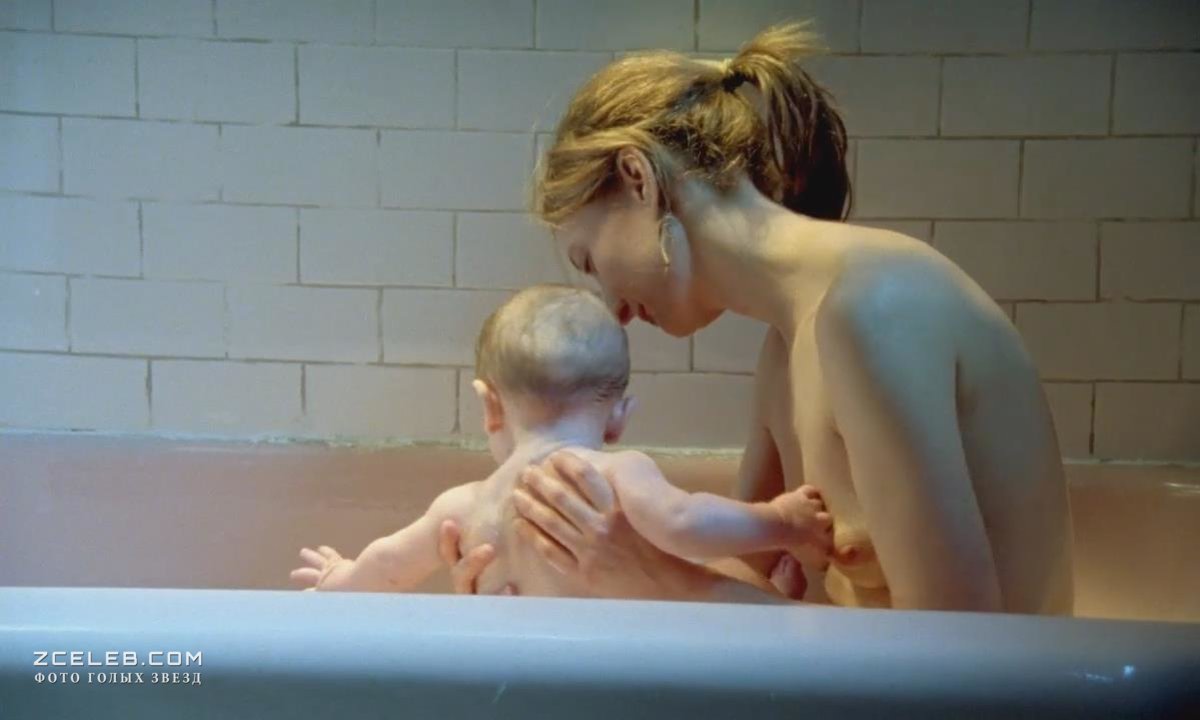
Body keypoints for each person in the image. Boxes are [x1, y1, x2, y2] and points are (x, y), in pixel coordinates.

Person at [438, 23, 1074, 614]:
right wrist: (542, 574)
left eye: (592, 260)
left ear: (639, 179)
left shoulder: (875, 310)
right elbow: (743, 581)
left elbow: (959, 661)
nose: (615, 310)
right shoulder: (789, 346)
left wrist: (649, 574)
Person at [291, 285, 833, 597]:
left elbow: (388, 564)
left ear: (489, 406)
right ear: (618, 419)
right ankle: (767, 607)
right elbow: (687, 523)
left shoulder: (464, 507)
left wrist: (341, 579)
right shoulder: (619, 474)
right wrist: (782, 522)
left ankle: (766, 602)